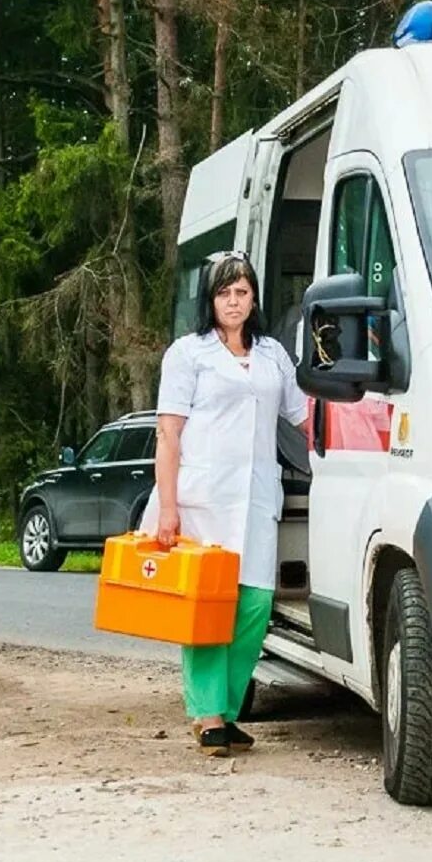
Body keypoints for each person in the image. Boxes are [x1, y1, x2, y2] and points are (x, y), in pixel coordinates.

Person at [138, 251, 311, 757]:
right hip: (203, 499)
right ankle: (207, 713)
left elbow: (305, 419)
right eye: (224, 293)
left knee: (254, 608)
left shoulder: (273, 355)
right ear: (210, 300)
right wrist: (168, 507)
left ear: (254, 297)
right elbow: (168, 433)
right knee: (209, 609)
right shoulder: (188, 354)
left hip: (257, 498)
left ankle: (229, 712)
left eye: (242, 292)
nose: (233, 301)